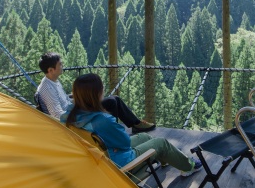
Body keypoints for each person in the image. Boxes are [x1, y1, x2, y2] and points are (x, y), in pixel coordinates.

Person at [61, 73, 202, 177]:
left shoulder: (68, 117)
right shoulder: (102, 120)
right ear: (96, 94)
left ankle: (167, 158)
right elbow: (125, 143)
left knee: (144, 137)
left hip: (98, 159)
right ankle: (189, 166)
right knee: (161, 142)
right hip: (120, 164)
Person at [35, 52, 155, 133]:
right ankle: (113, 132)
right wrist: (81, 108)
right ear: (51, 70)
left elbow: (64, 101)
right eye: (60, 64)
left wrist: (79, 98)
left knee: (114, 100)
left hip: (75, 112)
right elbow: (57, 115)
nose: (63, 66)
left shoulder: (53, 81)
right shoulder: (47, 88)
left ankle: (134, 124)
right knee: (112, 102)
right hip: (74, 120)